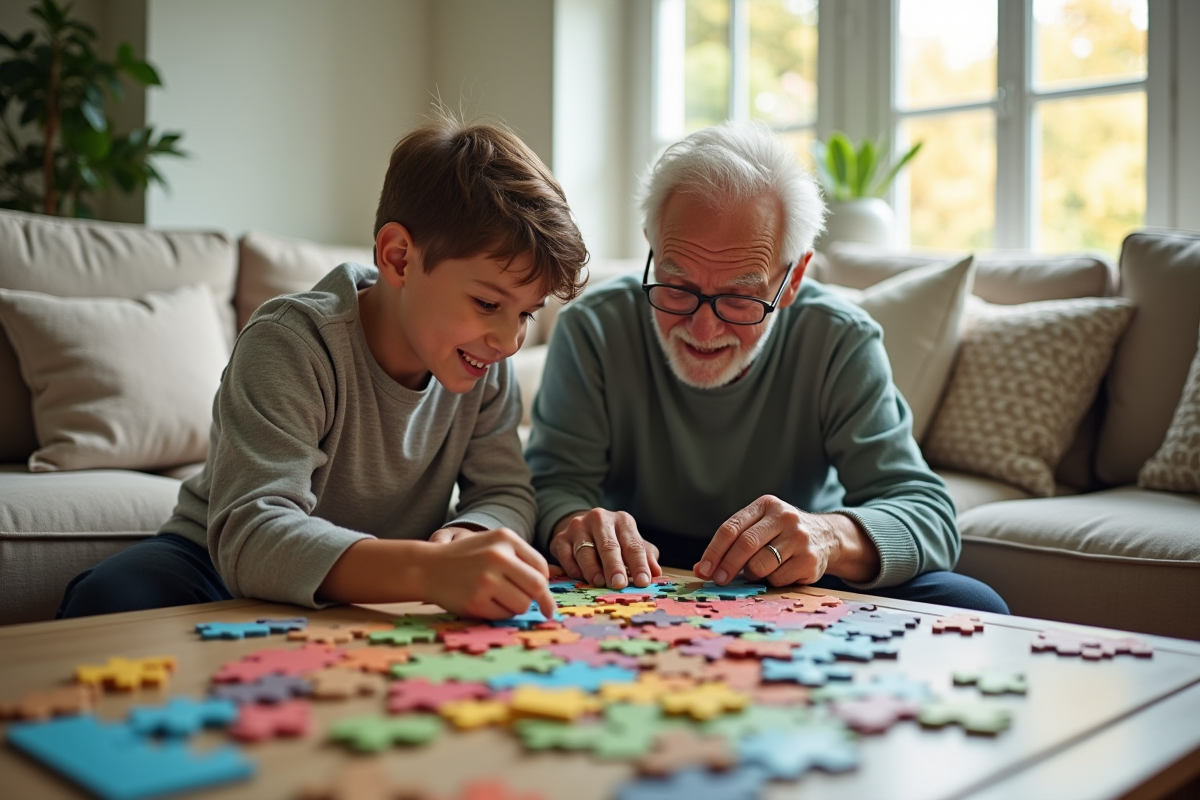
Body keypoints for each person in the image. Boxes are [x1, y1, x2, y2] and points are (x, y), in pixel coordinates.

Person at [58, 115, 587, 620]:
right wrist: (425, 570)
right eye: (489, 304)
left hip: (396, 573)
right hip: (217, 561)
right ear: (399, 257)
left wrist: (472, 534)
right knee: (106, 597)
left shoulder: (483, 362)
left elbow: (505, 491)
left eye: (527, 314)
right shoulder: (291, 341)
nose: (509, 341)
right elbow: (253, 533)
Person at [525, 121, 1007, 613]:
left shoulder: (839, 338)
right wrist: (575, 522)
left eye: (738, 298)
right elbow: (553, 483)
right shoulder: (593, 326)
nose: (703, 329)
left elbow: (927, 512)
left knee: (973, 602)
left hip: (784, 573)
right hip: (634, 571)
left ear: (793, 278)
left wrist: (830, 536)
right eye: (677, 286)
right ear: (652, 243)